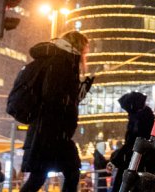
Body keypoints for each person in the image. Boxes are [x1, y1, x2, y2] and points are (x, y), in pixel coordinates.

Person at [19, 31, 89, 192]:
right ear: (78, 47)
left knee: (41, 176)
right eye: (85, 49)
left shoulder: (61, 61)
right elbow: (52, 95)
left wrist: (77, 94)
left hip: (49, 131)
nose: (86, 54)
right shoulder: (61, 62)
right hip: (51, 132)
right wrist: (72, 99)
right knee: (68, 173)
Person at [108, 92, 155, 192]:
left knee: (121, 185)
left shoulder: (137, 120)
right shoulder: (147, 116)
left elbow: (131, 143)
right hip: (147, 163)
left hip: (135, 162)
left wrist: (115, 160)